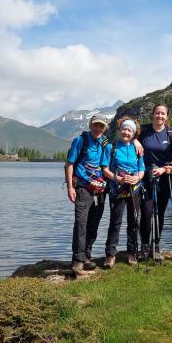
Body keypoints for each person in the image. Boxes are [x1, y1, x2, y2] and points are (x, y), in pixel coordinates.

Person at [65, 114, 110, 274]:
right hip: (83, 188)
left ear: (105, 128)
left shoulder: (105, 143)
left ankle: (87, 256)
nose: (98, 128)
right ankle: (77, 259)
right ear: (90, 125)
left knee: (93, 224)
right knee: (81, 223)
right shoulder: (80, 140)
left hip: (100, 190)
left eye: (101, 126)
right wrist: (70, 187)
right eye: (95, 125)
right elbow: (69, 165)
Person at [138, 104, 172, 260]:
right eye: (157, 113)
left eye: (163, 114)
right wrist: (136, 142)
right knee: (146, 213)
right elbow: (127, 136)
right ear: (152, 114)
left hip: (164, 178)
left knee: (160, 214)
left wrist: (165, 169)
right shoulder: (142, 131)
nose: (160, 116)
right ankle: (144, 246)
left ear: (167, 116)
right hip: (145, 178)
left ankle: (156, 247)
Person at [101, 117, 145, 268]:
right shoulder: (111, 147)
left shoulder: (137, 149)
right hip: (117, 189)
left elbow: (142, 169)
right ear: (120, 130)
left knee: (133, 221)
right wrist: (117, 178)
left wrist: (137, 178)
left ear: (133, 134)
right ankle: (110, 255)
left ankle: (132, 252)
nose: (126, 132)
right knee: (115, 221)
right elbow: (105, 169)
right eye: (124, 129)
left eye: (129, 130)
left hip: (135, 189)